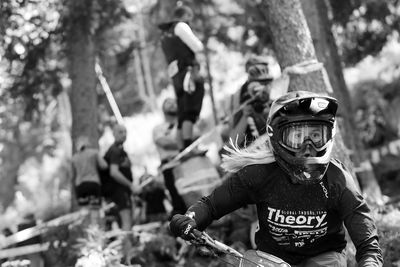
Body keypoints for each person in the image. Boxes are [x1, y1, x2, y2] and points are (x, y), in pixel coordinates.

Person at [169, 91, 383, 266]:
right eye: (297, 136)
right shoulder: (258, 175)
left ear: (329, 134)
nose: (308, 146)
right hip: (271, 260)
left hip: (324, 258)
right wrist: (190, 219)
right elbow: (211, 206)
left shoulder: (338, 180)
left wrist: (371, 264)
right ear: (276, 135)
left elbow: (368, 246)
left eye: (316, 136)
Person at [158, 5, 205, 150]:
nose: (190, 21)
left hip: (176, 76)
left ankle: (182, 147)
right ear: (185, 15)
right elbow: (197, 46)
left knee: (183, 110)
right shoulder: (180, 26)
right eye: (189, 17)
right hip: (188, 72)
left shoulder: (164, 34)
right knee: (190, 109)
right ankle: (188, 146)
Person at [102, 124, 136, 258]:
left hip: (123, 192)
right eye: (120, 132)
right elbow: (114, 172)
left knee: (127, 223)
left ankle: (128, 254)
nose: (123, 134)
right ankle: (128, 257)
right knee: (126, 222)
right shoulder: (115, 151)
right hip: (118, 192)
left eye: (125, 131)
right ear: (114, 134)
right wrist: (130, 185)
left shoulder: (122, 151)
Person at [228, 55, 275, 148]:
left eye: (266, 83)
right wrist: (246, 114)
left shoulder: (274, 100)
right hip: (250, 148)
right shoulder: (242, 97)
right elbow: (233, 140)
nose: (264, 88)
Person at [153, 97, 188, 217]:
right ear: (163, 108)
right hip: (170, 167)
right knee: (177, 200)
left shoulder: (185, 124)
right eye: (168, 102)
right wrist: (183, 143)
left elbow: (195, 136)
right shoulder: (158, 129)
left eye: (174, 102)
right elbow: (164, 144)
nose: (172, 104)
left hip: (186, 166)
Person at [71, 136, 108, 224]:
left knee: (84, 213)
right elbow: (104, 166)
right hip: (93, 184)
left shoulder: (75, 157)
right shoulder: (94, 153)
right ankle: (94, 234)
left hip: (80, 186)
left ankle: (85, 234)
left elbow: (73, 174)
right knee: (94, 213)